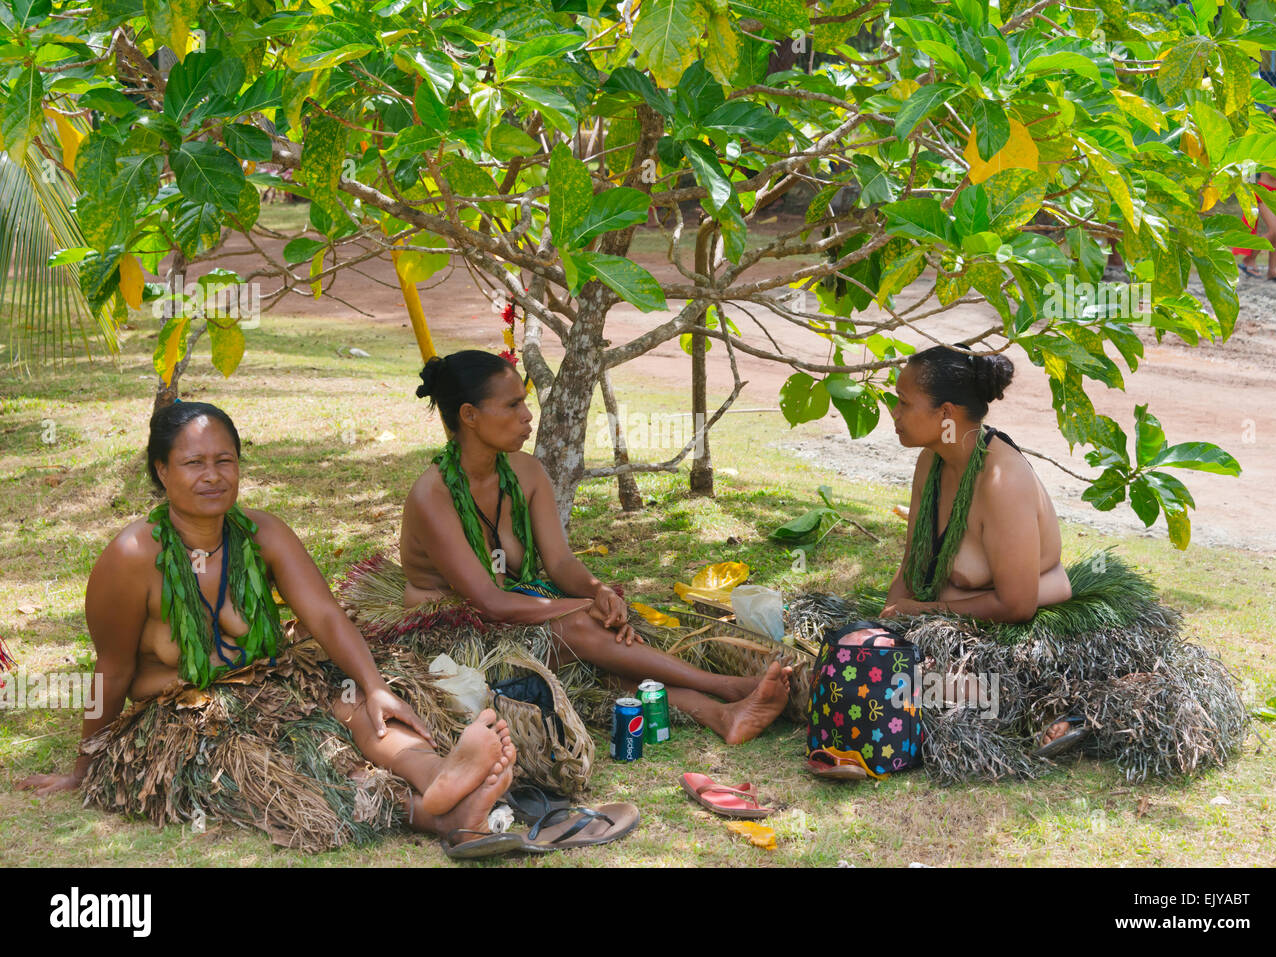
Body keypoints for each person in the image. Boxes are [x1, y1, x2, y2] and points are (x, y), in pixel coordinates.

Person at [19, 401, 516, 847]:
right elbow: (112, 667)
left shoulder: (264, 534)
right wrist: (84, 766)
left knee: (358, 707)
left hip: (271, 683)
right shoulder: (131, 557)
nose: (212, 476)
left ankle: (437, 776)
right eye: (194, 463)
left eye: (224, 461)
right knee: (283, 767)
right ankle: (432, 817)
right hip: (186, 716)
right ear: (162, 471)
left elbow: (323, 614)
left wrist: (374, 685)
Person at [400, 350, 792, 745]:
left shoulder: (525, 472)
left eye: (525, 401)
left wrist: (597, 591)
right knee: (583, 628)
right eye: (513, 404)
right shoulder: (432, 496)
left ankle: (725, 715)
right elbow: (489, 602)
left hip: (513, 616)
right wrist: (581, 607)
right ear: (469, 415)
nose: (527, 415)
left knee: (605, 648)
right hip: (454, 641)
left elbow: (559, 562)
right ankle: (728, 687)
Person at [878, 345, 1072, 745]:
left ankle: (1046, 712)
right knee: (867, 663)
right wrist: (885, 625)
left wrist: (919, 611)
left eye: (903, 402)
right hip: (950, 622)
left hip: (999, 632)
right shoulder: (931, 462)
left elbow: (1018, 605)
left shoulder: (1002, 480)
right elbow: (913, 561)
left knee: (926, 692)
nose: (894, 413)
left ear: (945, 413)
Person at [1235, 103, 1276, 282]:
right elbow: (1275, 171)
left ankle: (1272, 270)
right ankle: (1249, 259)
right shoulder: (1270, 143)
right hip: (1265, 192)